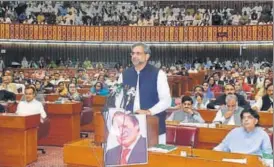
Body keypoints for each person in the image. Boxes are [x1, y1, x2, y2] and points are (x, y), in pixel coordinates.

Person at [116, 42, 171, 144]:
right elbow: (118, 99)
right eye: (132, 53)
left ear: (147, 56)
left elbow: (166, 101)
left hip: (152, 125)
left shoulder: (158, 74)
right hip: (130, 128)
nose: (134, 56)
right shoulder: (124, 75)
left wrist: (149, 112)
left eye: (138, 53)